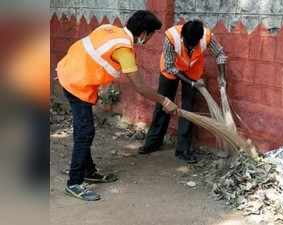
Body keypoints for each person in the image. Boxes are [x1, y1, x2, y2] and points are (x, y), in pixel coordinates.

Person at [56, 10, 177, 201]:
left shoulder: (109, 29)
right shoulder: (123, 50)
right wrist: (164, 101)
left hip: (69, 73)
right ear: (144, 33)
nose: (151, 39)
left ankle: (88, 171)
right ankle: (74, 183)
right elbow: (140, 87)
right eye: (152, 34)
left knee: (85, 130)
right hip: (76, 85)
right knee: (84, 132)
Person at [139, 20, 228, 164]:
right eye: (188, 43)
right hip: (170, 70)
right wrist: (191, 82)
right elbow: (169, 66)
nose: (191, 47)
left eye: (194, 44)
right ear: (182, 36)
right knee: (164, 104)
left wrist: (222, 76)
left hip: (193, 71)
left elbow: (220, 54)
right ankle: (153, 143)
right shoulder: (171, 36)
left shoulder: (206, 36)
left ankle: (183, 150)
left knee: (188, 109)